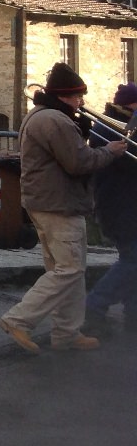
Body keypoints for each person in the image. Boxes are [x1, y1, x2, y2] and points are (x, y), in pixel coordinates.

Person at [0, 63, 126, 353]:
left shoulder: (45, 116)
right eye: (78, 96)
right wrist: (110, 151)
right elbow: (79, 162)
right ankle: (19, 319)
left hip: (51, 202)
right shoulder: (55, 120)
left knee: (70, 270)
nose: (82, 102)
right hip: (58, 204)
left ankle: (66, 332)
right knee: (68, 269)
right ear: (64, 96)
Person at [86, 82, 137, 332]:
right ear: (131, 106)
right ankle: (94, 305)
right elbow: (129, 165)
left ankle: (133, 316)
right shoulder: (109, 129)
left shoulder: (122, 127)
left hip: (126, 206)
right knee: (132, 261)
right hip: (121, 209)